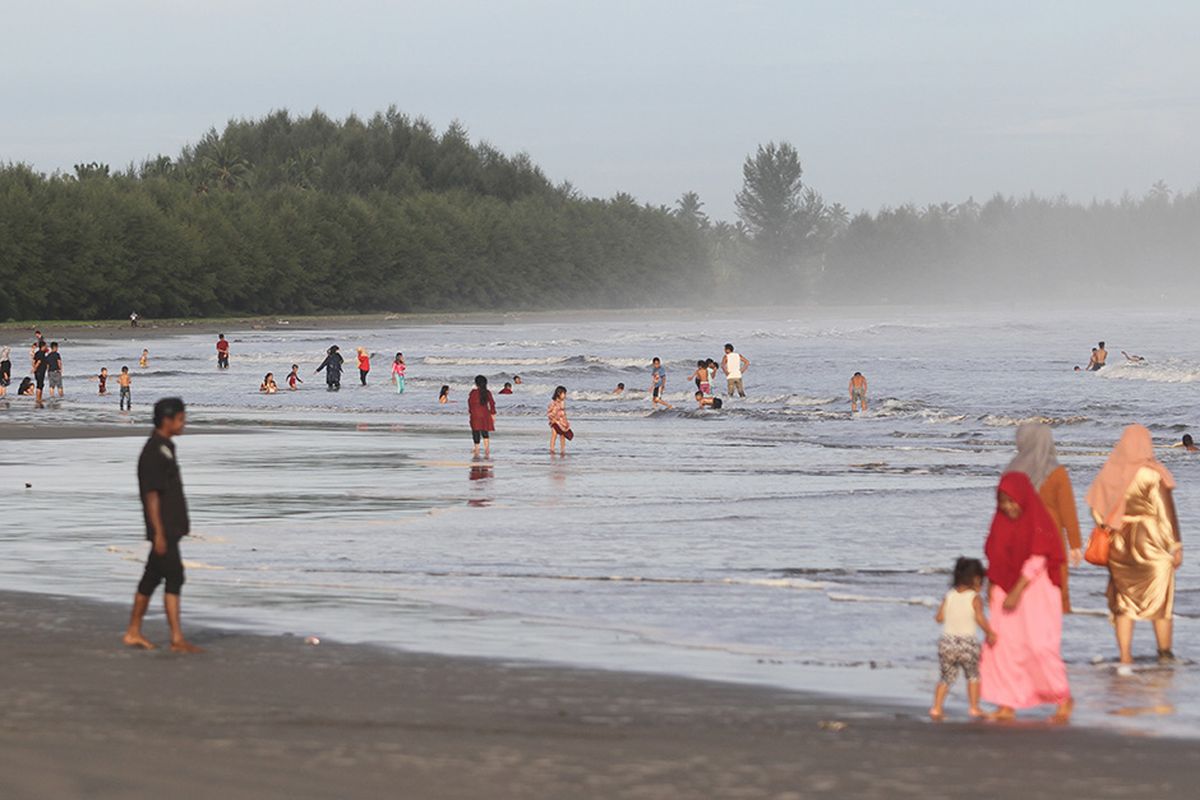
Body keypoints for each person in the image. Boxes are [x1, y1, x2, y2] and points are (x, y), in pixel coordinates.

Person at [1086, 424, 1182, 670]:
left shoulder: (1112, 471)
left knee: (1124, 602)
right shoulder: (1152, 474)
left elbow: (1096, 509)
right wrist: (1176, 545)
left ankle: (1125, 656)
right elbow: (1165, 513)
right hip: (1150, 542)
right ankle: (1164, 654)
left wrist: (1108, 526)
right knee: (1160, 603)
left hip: (1119, 543)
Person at [979, 472, 1071, 722]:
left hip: (1035, 591)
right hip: (1003, 590)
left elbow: (1039, 556)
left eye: (1012, 501)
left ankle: (1062, 700)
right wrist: (992, 586)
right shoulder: (999, 522)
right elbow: (995, 556)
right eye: (1003, 502)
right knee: (1003, 647)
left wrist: (1018, 590)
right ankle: (1006, 703)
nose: (1008, 507)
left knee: (1040, 646)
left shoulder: (1038, 520)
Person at [122, 398, 202, 654]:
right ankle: (176, 638)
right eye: (181, 418)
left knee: (152, 576)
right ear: (167, 420)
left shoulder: (166, 446)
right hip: (164, 528)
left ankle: (133, 631)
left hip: (170, 527)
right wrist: (158, 533)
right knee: (175, 576)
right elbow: (152, 495)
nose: (184, 423)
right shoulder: (154, 451)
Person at [1005, 423, 1082, 612]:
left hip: (1019, 532)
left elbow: (1003, 507)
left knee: (1023, 581)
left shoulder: (1011, 470)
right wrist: (1075, 544)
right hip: (1051, 533)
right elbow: (1067, 510)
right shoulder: (1057, 472)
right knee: (1056, 584)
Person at [930, 557, 997, 721]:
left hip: (947, 642)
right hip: (967, 643)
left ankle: (937, 708)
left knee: (945, 677)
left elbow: (939, 618)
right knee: (973, 675)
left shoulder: (949, 595)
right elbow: (980, 618)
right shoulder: (974, 597)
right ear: (976, 579)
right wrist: (990, 632)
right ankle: (974, 708)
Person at [467, 375, 496, 457]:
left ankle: (477, 449)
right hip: (485, 414)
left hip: (475, 414)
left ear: (476, 383)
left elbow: (470, 403)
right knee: (485, 431)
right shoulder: (487, 392)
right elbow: (492, 403)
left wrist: (470, 412)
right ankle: (487, 449)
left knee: (475, 431)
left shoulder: (473, 392)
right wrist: (493, 414)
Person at [548, 385, 573, 454]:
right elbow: (550, 412)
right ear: (559, 394)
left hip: (562, 421)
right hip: (555, 421)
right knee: (554, 435)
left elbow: (563, 413)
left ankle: (562, 449)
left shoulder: (563, 403)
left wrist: (566, 421)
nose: (565, 396)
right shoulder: (553, 403)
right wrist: (552, 419)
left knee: (562, 436)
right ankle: (552, 449)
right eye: (564, 394)